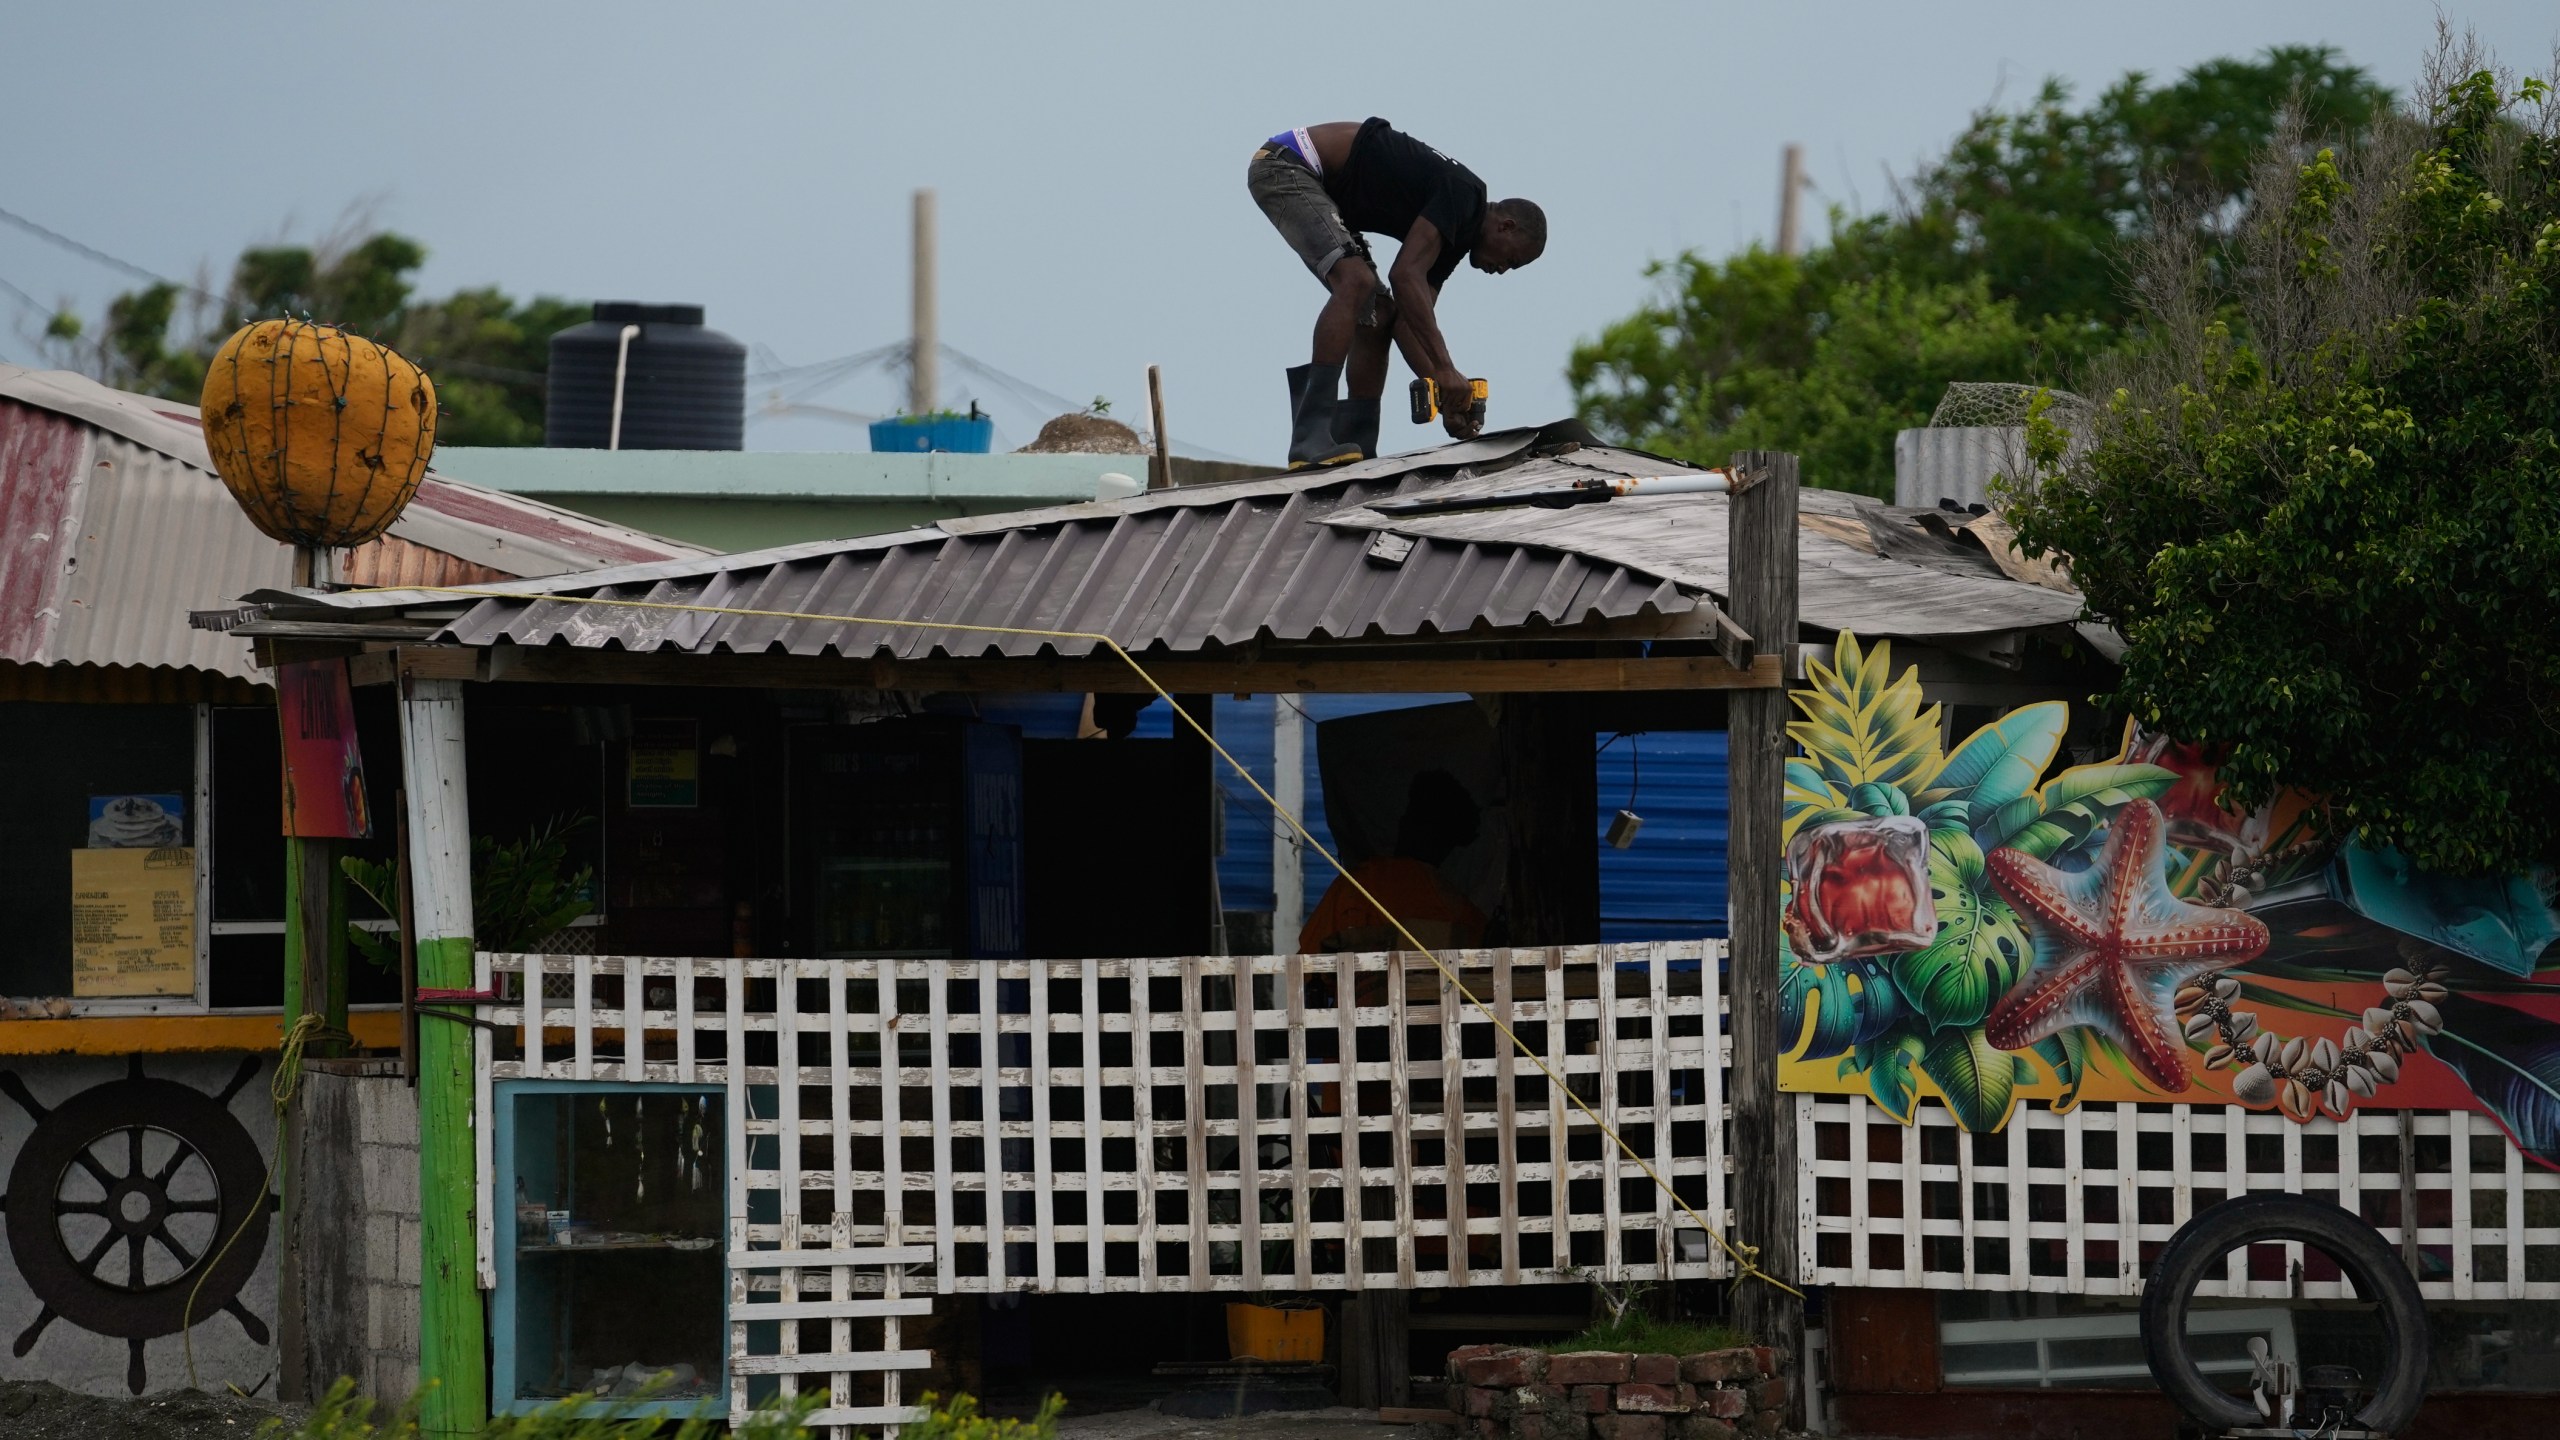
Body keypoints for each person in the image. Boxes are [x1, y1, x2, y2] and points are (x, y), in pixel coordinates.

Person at [1247, 119, 1546, 468]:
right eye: (1511, 260)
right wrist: (1445, 369)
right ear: (1505, 226)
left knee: (1380, 314)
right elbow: (1404, 275)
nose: (1502, 270)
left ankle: (1356, 443)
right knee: (1355, 282)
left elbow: (1409, 322)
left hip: (1320, 188)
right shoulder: (1465, 194)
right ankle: (1309, 437)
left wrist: (1445, 393)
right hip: (1287, 164)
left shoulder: (1454, 237)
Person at [1299, 769, 1488, 953]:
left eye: (1411, 816)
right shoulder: (1467, 916)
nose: (1403, 823)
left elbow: (1308, 964)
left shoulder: (1357, 887)